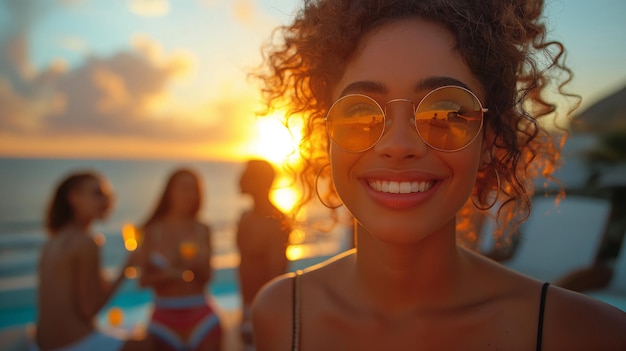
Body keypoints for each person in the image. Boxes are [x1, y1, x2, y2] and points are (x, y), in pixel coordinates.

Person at [249, 1, 626, 350]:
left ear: (489, 140)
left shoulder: (583, 333)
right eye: (361, 113)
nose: (398, 145)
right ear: (325, 136)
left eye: (446, 112)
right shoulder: (282, 315)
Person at [35, 171, 138, 351]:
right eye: (97, 194)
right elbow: (90, 310)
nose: (106, 201)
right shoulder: (85, 242)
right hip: (74, 345)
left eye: (107, 195)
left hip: (39, 345)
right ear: (74, 198)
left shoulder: (54, 240)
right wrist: (126, 270)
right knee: (150, 343)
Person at [136, 168, 222, 351]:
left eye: (193, 189)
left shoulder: (202, 229)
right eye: (183, 188)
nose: (188, 195)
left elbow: (208, 277)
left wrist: (196, 270)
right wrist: (175, 275)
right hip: (164, 316)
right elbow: (142, 280)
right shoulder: (153, 230)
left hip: (201, 314)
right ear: (169, 192)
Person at [236, 159, 291, 347]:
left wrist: (262, 317)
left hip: (266, 309)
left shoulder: (275, 220)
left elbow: (277, 273)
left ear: (260, 181)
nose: (239, 179)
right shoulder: (245, 217)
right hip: (248, 305)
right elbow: (244, 265)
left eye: (247, 175)